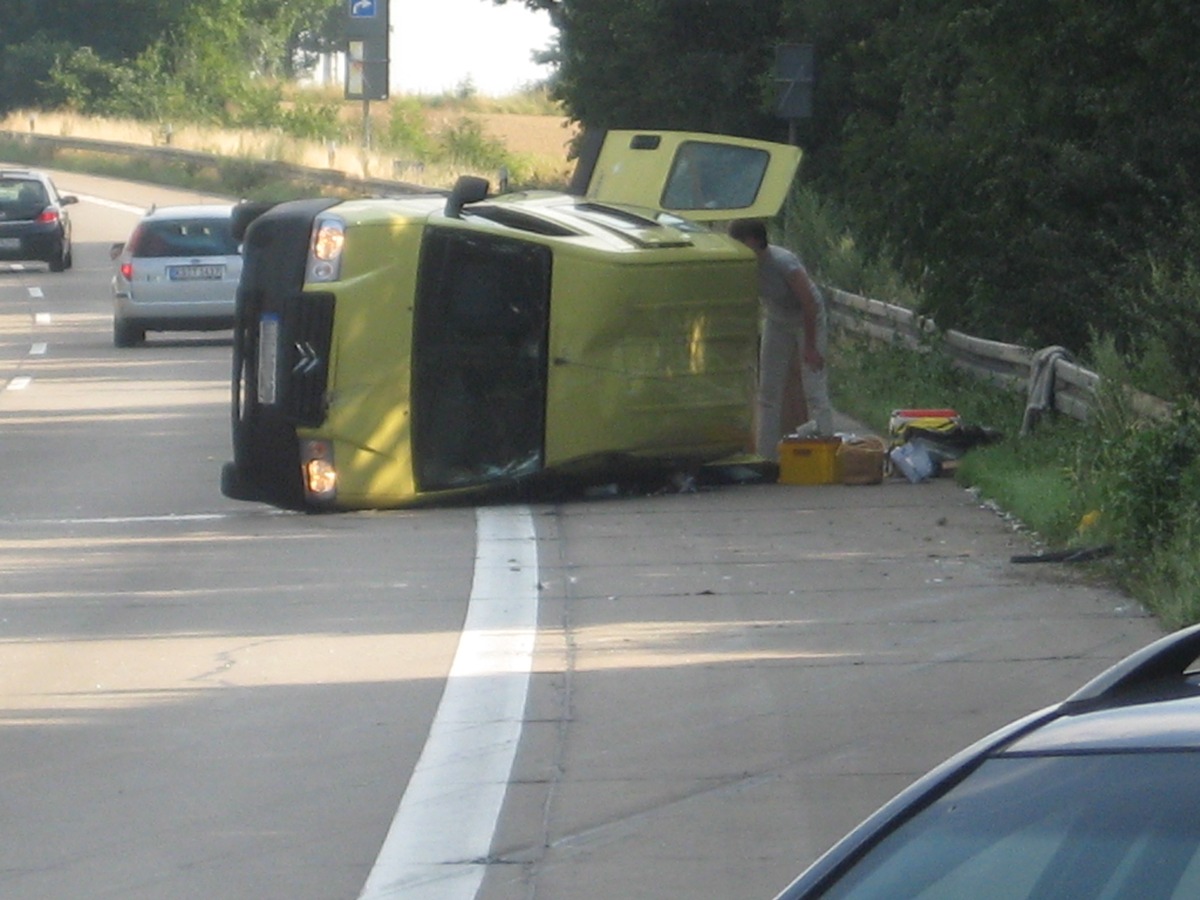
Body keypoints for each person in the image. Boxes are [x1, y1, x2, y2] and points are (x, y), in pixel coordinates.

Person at [729, 218, 833, 461]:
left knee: (813, 385)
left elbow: (809, 304)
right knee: (768, 391)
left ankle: (826, 447)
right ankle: (767, 458)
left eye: (739, 243)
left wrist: (810, 347)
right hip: (777, 318)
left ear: (753, 241)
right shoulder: (746, 266)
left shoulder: (783, 262)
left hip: (807, 317)